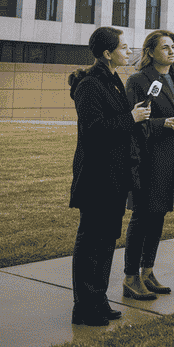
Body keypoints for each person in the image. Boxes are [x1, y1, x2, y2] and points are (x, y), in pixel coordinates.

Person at [68, 27, 151, 326]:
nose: (129, 51)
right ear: (107, 53)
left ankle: (99, 300)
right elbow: (93, 130)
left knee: (105, 241)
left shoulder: (114, 81)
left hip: (115, 175)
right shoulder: (90, 85)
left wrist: (134, 116)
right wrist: (130, 118)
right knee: (91, 241)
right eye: (124, 47)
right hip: (96, 176)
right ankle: (85, 307)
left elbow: (116, 123)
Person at [123, 30, 174, 299]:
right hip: (147, 157)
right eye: (165, 47)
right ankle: (130, 277)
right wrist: (161, 123)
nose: (171, 51)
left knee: (159, 214)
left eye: (173, 46)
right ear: (150, 52)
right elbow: (134, 119)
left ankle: (147, 271)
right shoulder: (138, 81)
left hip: (171, 155)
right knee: (142, 216)